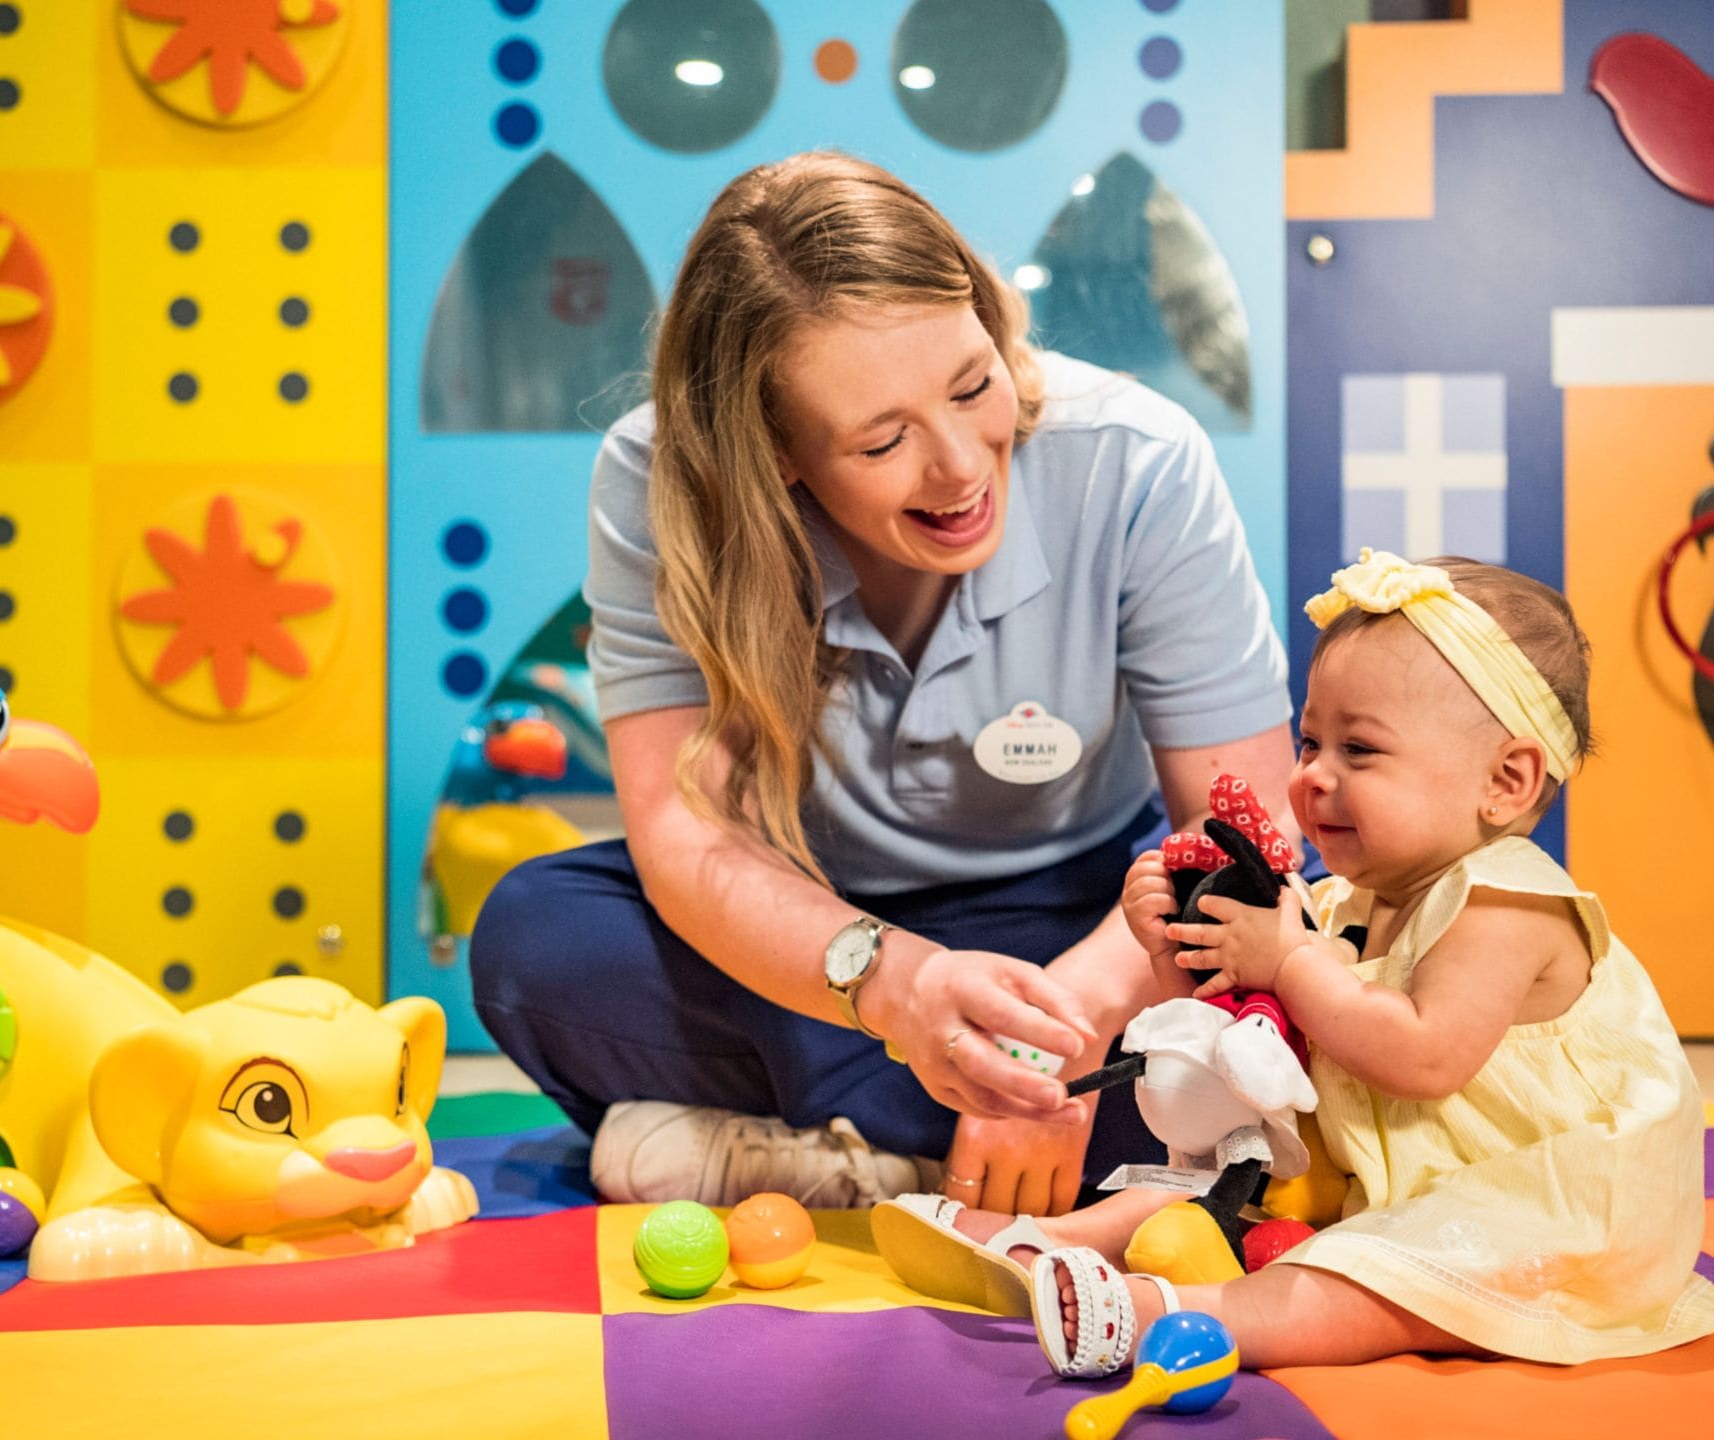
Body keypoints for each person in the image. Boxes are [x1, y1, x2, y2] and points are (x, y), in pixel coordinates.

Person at [469, 151, 1298, 1218]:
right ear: (773, 454)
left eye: (972, 385)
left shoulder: (1136, 460)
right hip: (812, 929)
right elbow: (686, 840)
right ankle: (973, 1156)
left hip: (1088, 917)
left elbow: (1247, 821)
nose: (960, 465)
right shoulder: (657, 482)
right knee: (535, 942)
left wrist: (1057, 1037)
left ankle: (843, 1159)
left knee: (1273, 1019)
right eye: (881, 439)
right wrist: (895, 987)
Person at [873, 550, 1714, 1376]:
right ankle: (1046, 1245)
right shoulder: (1348, 904)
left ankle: (1173, 1314)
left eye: (1358, 751)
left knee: (1366, 1283)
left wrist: (1289, 958)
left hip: (1541, 1212)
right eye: (1309, 743)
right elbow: (1244, 1042)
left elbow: (1423, 1055)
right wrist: (1174, 954)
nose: (1313, 778)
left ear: (1506, 782)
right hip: (1383, 1175)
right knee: (1221, 1173)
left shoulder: (1505, 902)